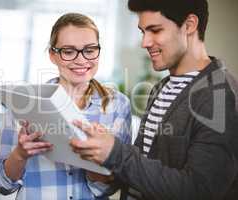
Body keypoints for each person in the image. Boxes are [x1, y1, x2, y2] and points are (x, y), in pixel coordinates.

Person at [70, 0, 238, 199]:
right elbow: (145, 170)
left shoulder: (221, 95)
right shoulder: (161, 88)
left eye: (155, 30)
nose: (145, 43)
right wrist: (102, 167)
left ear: (190, 25)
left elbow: (199, 190)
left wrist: (116, 153)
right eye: (143, 32)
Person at [0, 13, 132, 200]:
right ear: (53, 55)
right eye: (68, 51)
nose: (81, 60)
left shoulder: (118, 105)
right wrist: (20, 154)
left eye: (89, 50)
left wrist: (93, 163)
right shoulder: (24, 102)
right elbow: (2, 184)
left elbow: (114, 186)